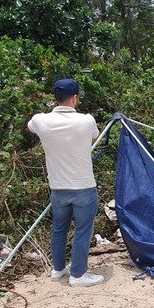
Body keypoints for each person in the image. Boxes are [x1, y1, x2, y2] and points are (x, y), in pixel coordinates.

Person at [27, 78, 104, 287]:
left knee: (59, 229)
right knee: (83, 231)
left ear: (56, 98)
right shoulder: (86, 120)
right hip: (83, 188)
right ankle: (78, 275)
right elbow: (94, 137)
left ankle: (58, 269)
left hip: (58, 188)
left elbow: (31, 126)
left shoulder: (40, 120)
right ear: (75, 98)